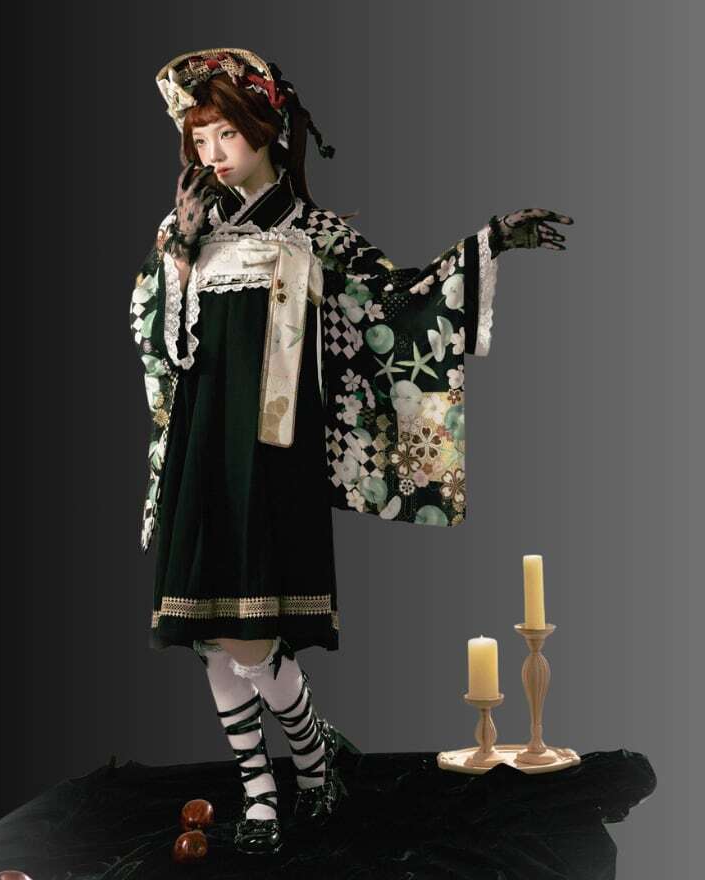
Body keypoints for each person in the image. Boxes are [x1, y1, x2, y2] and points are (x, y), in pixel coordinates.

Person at [129, 47, 573, 856]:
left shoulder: (315, 235)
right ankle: (268, 789)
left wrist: (488, 245)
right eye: (201, 139)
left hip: (273, 454)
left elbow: (399, 307)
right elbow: (161, 348)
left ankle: (307, 759)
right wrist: (181, 256)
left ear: (265, 129)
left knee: (253, 633)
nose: (214, 153)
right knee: (211, 635)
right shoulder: (186, 230)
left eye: (227, 133)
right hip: (202, 445)